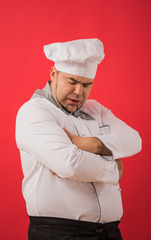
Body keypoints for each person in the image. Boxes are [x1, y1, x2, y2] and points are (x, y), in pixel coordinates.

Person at [15, 38, 142, 240]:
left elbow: (134, 140)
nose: (78, 92)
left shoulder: (95, 109)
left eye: (86, 84)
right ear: (53, 74)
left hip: (110, 233)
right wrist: (114, 168)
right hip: (59, 233)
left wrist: (89, 144)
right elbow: (70, 164)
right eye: (72, 82)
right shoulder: (34, 111)